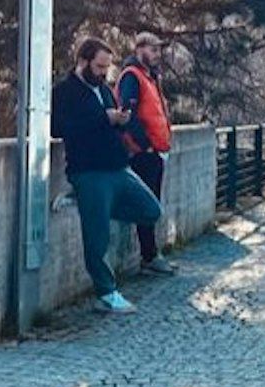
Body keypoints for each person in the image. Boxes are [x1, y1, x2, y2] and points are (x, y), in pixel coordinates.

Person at [50, 37, 162, 314]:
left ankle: (89, 203)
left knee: (151, 210)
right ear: (83, 61)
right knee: (97, 238)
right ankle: (107, 293)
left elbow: (110, 120)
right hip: (89, 170)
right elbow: (60, 127)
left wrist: (121, 121)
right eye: (100, 66)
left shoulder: (104, 90)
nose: (104, 73)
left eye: (107, 68)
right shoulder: (65, 91)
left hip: (118, 166)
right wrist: (105, 118)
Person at [116, 31, 176, 275]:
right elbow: (127, 116)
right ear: (139, 49)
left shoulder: (149, 77)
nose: (157, 54)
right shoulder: (133, 77)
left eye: (158, 50)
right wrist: (146, 145)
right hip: (144, 153)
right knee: (147, 205)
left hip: (155, 151)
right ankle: (149, 256)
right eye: (153, 49)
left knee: (151, 204)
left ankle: (151, 254)